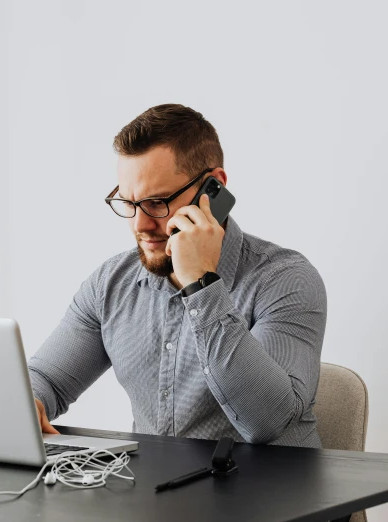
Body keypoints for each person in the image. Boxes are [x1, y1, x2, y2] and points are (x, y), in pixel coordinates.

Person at [29, 104, 326, 447]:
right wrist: (30, 402)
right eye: (128, 203)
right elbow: (46, 380)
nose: (139, 225)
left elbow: (269, 422)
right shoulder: (110, 285)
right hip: (156, 496)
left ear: (212, 188)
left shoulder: (286, 279)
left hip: (274, 496)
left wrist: (201, 284)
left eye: (156, 202)